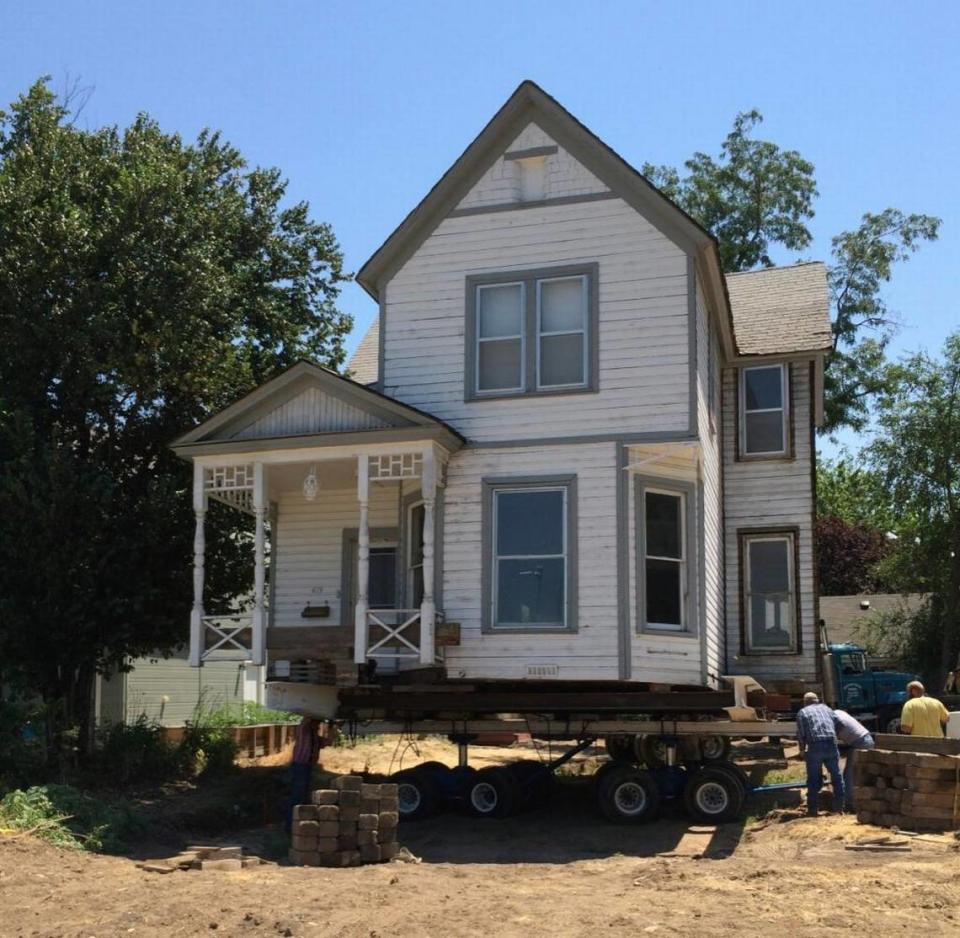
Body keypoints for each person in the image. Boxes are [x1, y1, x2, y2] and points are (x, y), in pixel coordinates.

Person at [796, 691, 844, 816]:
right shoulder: (827, 709)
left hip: (815, 745)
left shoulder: (803, 712)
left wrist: (801, 750)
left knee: (813, 778)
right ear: (817, 700)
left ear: (805, 702)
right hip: (831, 744)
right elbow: (840, 724)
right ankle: (839, 808)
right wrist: (834, 736)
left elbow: (801, 734)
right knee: (836, 776)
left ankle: (813, 810)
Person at [285, 716, 325, 832]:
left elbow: (327, 742)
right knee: (297, 796)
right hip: (300, 766)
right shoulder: (304, 731)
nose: (318, 726)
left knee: (303, 796)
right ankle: (290, 826)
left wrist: (334, 729)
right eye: (316, 724)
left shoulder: (315, 737)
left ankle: (299, 826)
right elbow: (305, 722)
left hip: (307, 767)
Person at [832, 709, 875, 810]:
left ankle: (850, 805)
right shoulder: (839, 712)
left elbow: (835, 733)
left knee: (849, 775)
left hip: (860, 743)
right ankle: (863, 800)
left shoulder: (833, 718)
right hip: (867, 739)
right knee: (860, 773)